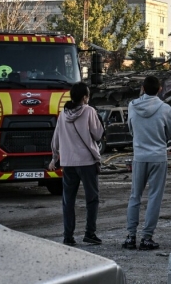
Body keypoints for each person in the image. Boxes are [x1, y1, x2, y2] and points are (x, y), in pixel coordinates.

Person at [122, 75, 171, 251]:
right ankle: (147, 237)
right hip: (158, 156)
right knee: (154, 197)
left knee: (135, 195)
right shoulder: (165, 108)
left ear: (142, 88)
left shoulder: (132, 106)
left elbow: (130, 129)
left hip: (139, 155)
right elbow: (169, 131)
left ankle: (130, 236)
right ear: (160, 89)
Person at [49, 82, 104, 246]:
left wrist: (54, 158)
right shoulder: (89, 111)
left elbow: (56, 138)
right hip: (87, 162)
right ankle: (90, 233)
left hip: (68, 163)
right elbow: (98, 134)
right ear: (85, 97)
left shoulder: (63, 114)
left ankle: (68, 236)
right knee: (92, 199)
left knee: (68, 200)